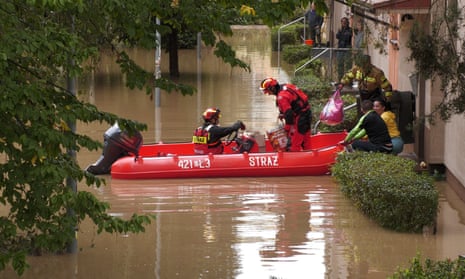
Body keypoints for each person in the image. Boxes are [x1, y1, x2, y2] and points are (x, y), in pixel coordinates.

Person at [259, 78, 312, 152]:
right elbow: (295, 103)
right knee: (306, 140)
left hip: (300, 119)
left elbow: (289, 114)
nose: (267, 93)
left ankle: (295, 160)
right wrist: (283, 114)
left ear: (272, 88)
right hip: (307, 114)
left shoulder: (281, 97)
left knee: (294, 143)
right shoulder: (286, 86)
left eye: (267, 91)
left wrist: (286, 129)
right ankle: (309, 156)